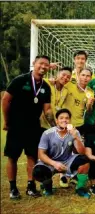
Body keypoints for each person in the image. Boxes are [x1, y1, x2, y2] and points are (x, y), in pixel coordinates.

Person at [2, 55, 54, 199]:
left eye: (46, 65)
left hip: (33, 127)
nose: (43, 67)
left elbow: (47, 110)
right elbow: (6, 100)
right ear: (34, 63)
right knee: (12, 157)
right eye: (40, 64)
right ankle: (13, 188)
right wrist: (7, 121)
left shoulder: (45, 87)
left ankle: (31, 186)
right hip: (16, 126)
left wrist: (55, 126)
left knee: (32, 156)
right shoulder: (20, 80)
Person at [32, 109, 91, 198]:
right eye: (61, 118)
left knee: (84, 160)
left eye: (67, 118)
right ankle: (47, 187)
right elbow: (41, 154)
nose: (64, 120)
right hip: (50, 162)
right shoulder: (47, 133)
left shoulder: (75, 132)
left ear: (70, 120)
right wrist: (54, 163)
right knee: (38, 171)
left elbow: (82, 152)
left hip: (67, 161)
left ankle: (80, 188)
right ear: (57, 121)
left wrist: (75, 137)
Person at [62, 67, 94, 135]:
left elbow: (89, 111)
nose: (85, 78)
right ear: (79, 75)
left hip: (78, 124)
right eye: (83, 75)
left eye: (88, 76)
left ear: (91, 78)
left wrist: (89, 105)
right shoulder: (69, 84)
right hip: (64, 122)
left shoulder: (90, 92)